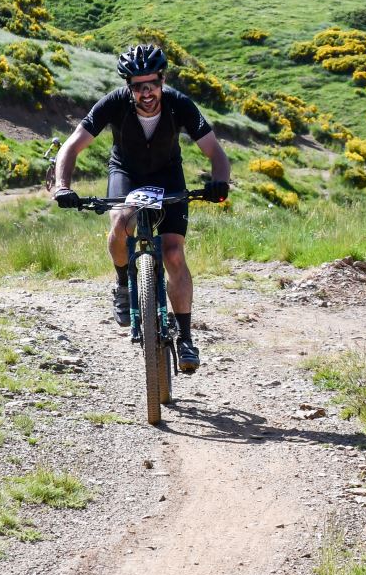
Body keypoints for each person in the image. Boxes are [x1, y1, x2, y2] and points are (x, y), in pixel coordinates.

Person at [50, 43, 231, 373]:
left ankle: (186, 338)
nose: (146, 93)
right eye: (138, 86)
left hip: (168, 175)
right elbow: (72, 146)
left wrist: (220, 182)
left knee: (173, 253)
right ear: (128, 86)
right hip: (127, 173)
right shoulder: (113, 104)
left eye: (152, 84)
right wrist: (63, 186)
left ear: (162, 81)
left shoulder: (180, 104)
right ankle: (123, 284)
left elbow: (215, 151)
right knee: (121, 222)